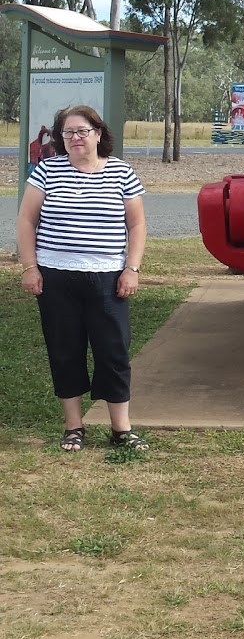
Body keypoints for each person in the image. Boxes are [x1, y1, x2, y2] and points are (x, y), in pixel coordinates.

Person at [16, 105, 148, 453]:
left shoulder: (121, 172)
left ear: (98, 134)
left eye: (82, 131)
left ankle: (121, 429)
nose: (75, 138)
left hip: (108, 279)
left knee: (114, 351)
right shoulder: (46, 170)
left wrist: (131, 269)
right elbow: (26, 220)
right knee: (64, 350)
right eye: (68, 132)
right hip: (57, 278)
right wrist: (30, 267)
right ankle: (74, 427)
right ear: (61, 138)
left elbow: (136, 225)